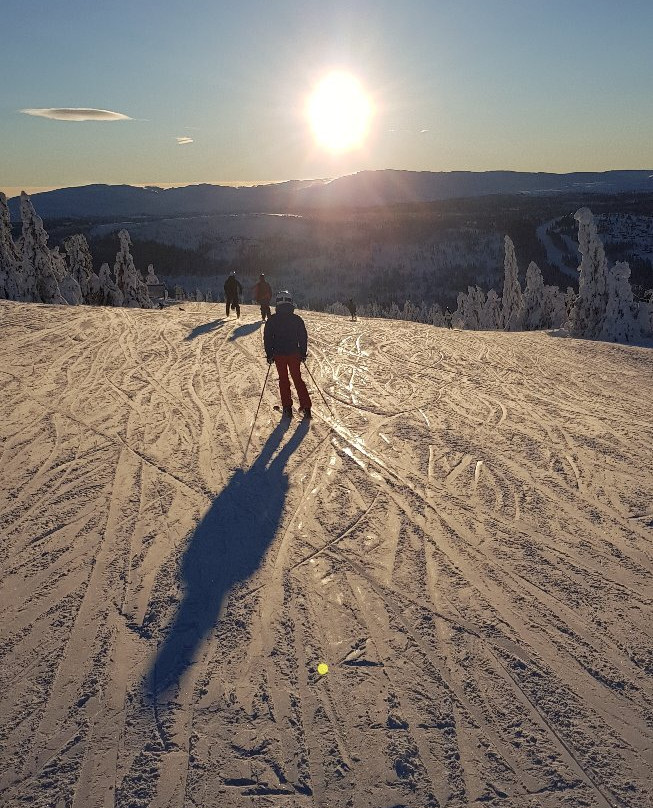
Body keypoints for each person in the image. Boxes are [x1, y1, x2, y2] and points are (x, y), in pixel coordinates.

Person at [264, 290, 312, 419]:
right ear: (290, 302)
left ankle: (287, 408)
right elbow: (303, 337)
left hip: (279, 354)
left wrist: (269, 354)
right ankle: (306, 408)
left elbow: (268, 337)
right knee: (297, 379)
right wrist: (303, 352)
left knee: (283, 379)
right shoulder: (297, 319)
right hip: (294, 353)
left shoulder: (272, 320)